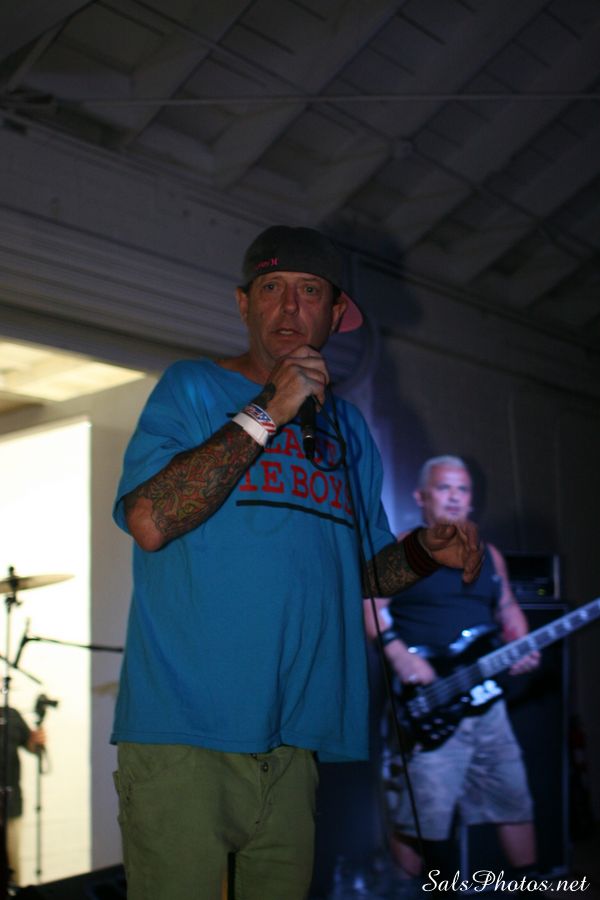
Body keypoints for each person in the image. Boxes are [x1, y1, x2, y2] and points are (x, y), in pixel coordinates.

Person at [111, 227, 483, 900]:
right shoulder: (192, 387)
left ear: (336, 314)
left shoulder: (350, 430)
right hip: (186, 729)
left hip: (296, 735)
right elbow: (149, 521)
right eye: (271, 289)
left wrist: (426, 551)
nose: (288, 308)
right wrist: (268, 411)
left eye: (309, 291)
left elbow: (362, 575)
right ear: (243, 304)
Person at [364, 455, 539, 884]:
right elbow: (370, 606)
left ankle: (531, 888)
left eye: (462, 490)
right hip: (429, 705)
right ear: (421, 497)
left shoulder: (489, 555)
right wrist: (400, 655)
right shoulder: (402, 549)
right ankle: (412, 892)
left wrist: (521, 645)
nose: (455, 497)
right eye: (445, 488)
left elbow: (507, 608)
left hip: (487, 705)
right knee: (420, 817)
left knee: (513, 801)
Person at [0, 706, 46, 887]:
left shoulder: (11, 715)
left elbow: (31, 746)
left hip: (10, 805)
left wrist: (36, 740)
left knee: (11, 864)